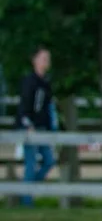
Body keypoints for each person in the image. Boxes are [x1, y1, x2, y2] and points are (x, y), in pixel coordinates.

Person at [17, 46, 56, 206]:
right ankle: (26, 201)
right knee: (31, 163)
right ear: (35, 60)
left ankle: (27, 189)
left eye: (48, 59)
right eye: (43, 58)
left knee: (49, 161)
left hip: (42, 129)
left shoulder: (46, 83)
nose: (46, 62)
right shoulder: (30, 82)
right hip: (30, 128)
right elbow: (24, 107)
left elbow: (47, 108)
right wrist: (28, 124)